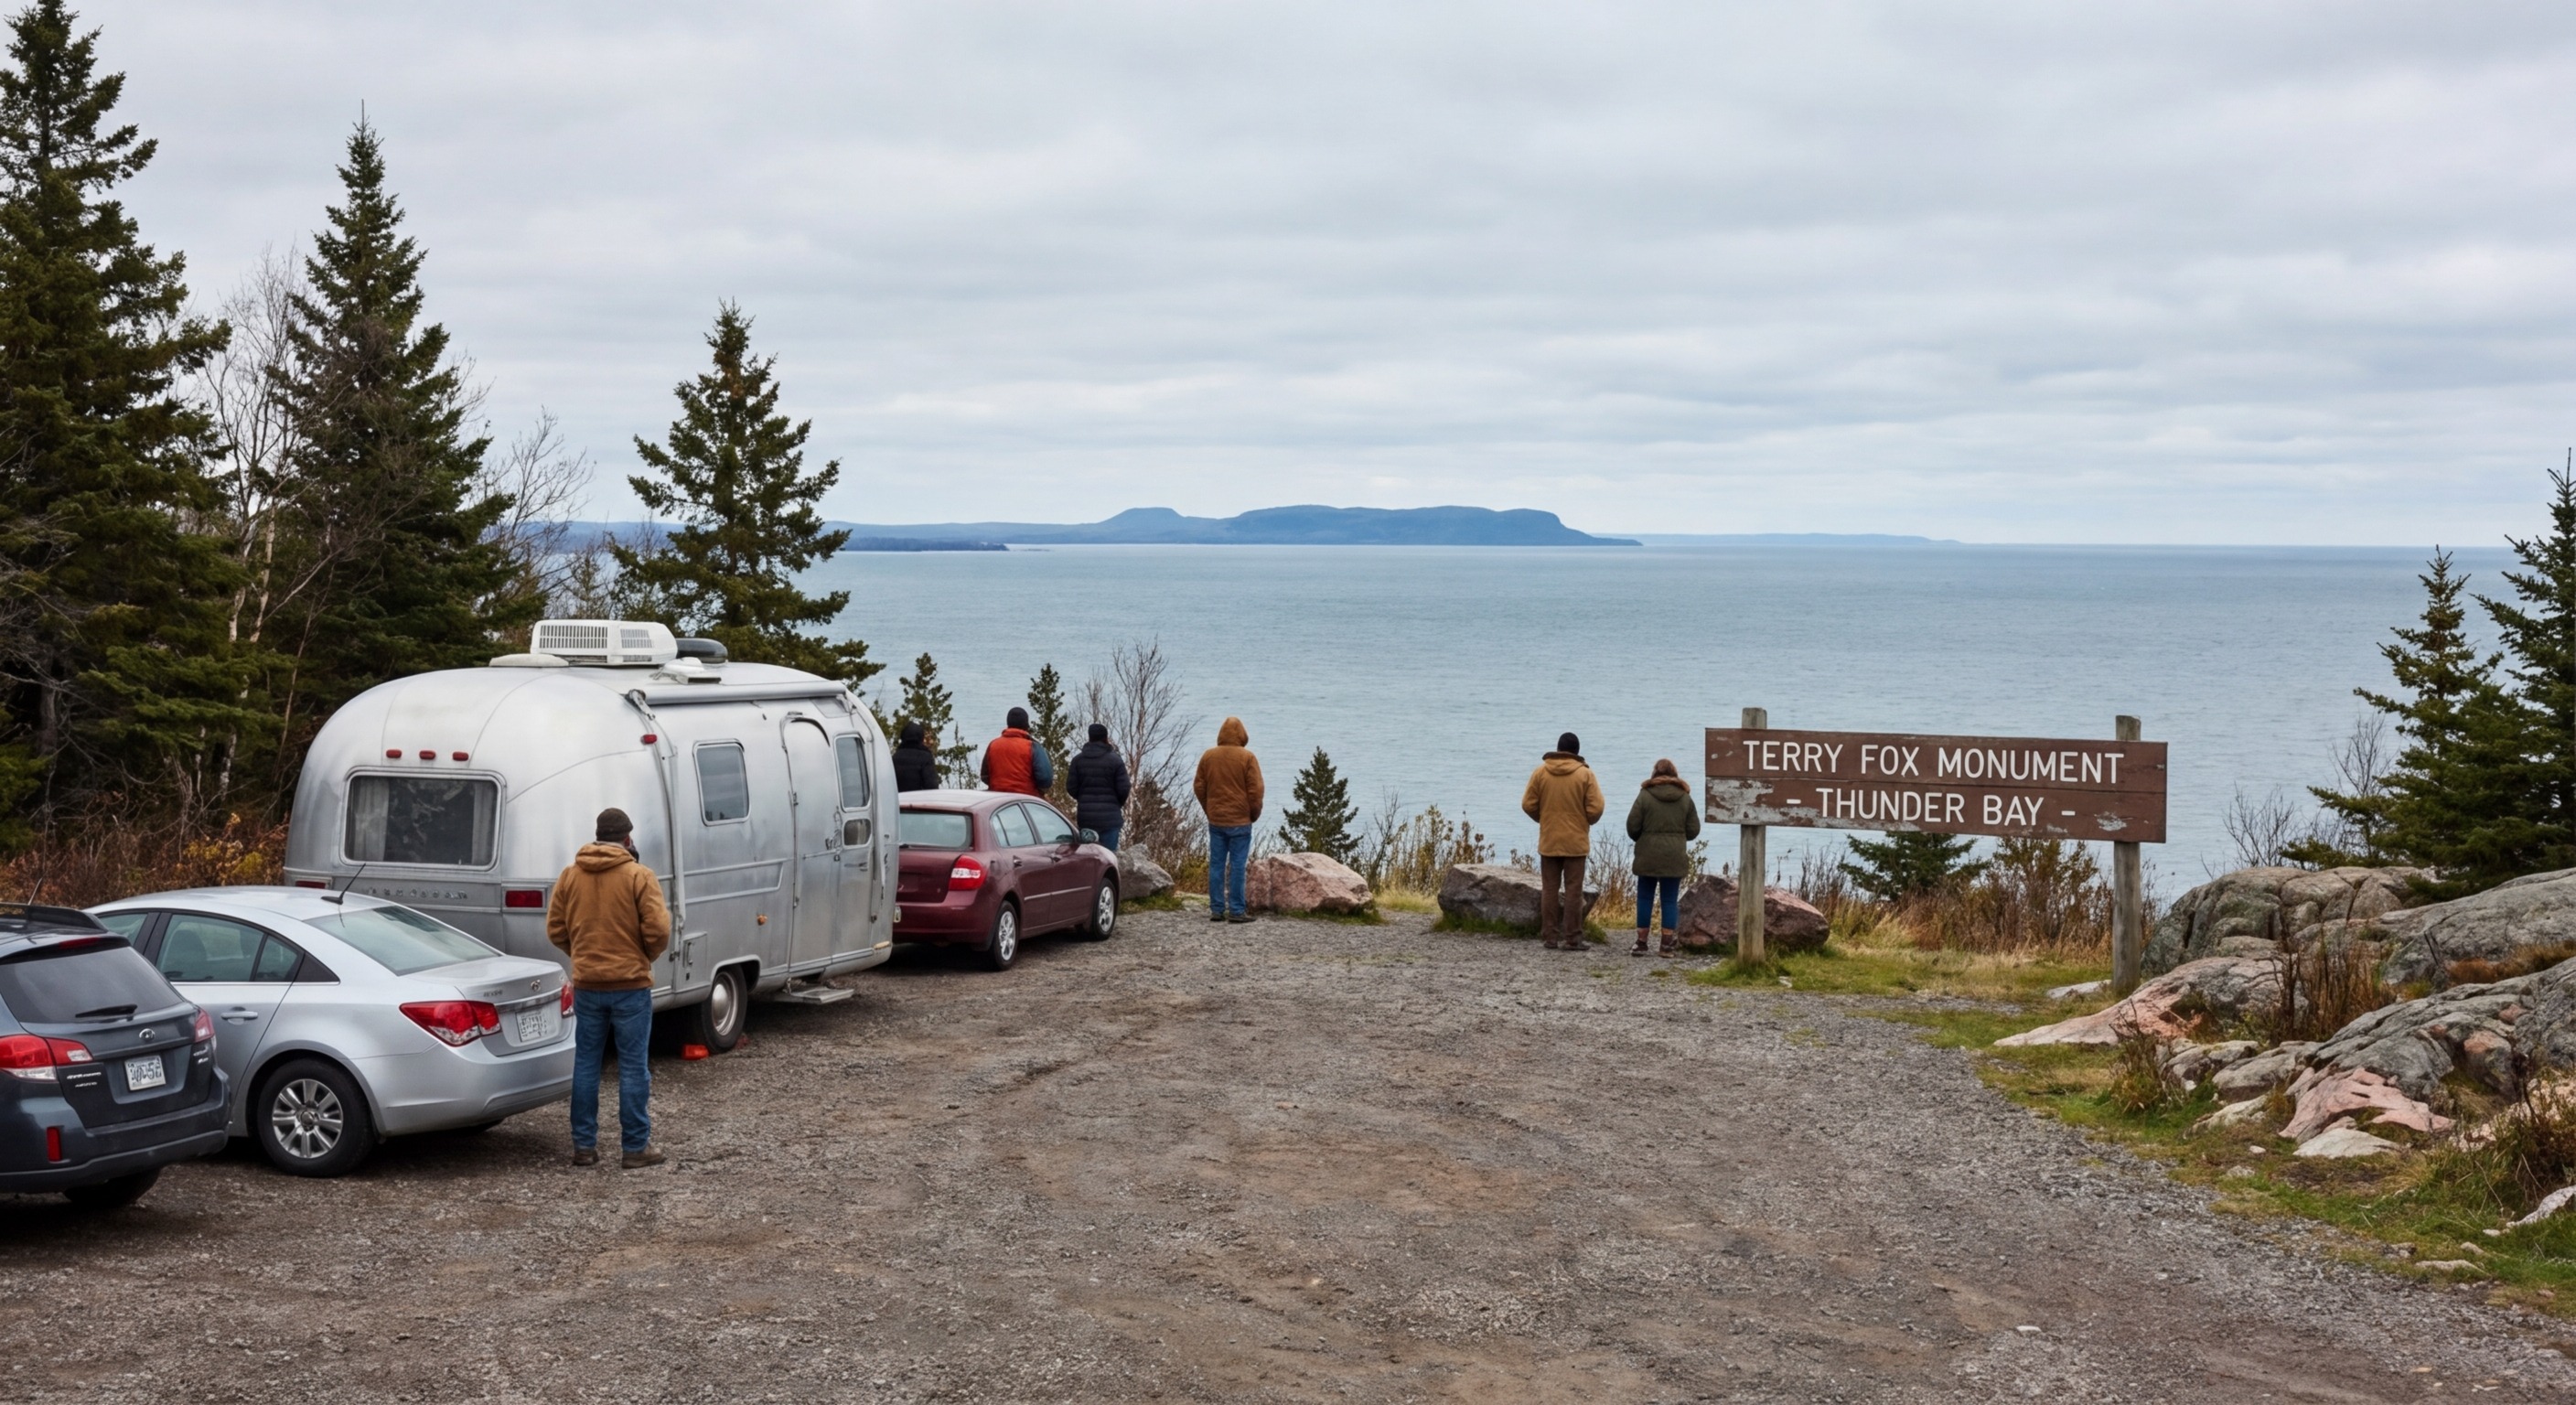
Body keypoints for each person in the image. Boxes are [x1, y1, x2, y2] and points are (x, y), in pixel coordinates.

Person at [547, 808, 671, 1169]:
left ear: (598, 836)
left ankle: (584, 1148)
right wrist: (643, 956)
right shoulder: (639, 876)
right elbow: (659, 930)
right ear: (628, 839)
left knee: (586, 1064)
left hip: (587, 986)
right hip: (630, 986)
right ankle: (635, 1148)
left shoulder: (570, 876)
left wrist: (582, 955)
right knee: (633, 1067)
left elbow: (555, 929)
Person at [1520, 732, 1605, 950]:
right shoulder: (1586, 775)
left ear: (1558, 749)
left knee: (1549, 889)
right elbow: (1596, 809)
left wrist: (1544, 819)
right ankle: (1573, 938)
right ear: (1577, 752)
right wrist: (1583, 822)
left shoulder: (1540, 773)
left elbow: (1528, 804)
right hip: (1576, 843)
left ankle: (1549, 937)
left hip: (1549, 839)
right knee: (1573, 891)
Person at [1626, 757, 1701, 958]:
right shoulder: (1685, 798)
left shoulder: (1644, 796)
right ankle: (1666, 945)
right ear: (1675, 775)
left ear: (1655, 774)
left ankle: (1641, 943)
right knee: (1669, 900)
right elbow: (1693, 830)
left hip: (1647, 855)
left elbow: (1632, 826)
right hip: (1674, 856)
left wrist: (1642, 838)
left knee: (1644, 897)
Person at [1192, 716, 1263, 925]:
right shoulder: (1248, 757)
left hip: (1216, 820)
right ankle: (1237, 910)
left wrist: (1209, 809)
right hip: (1240, 821)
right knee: (1238, 866)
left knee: (1216, 864)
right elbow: (1256, 791)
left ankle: (1216, 909)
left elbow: (1199, 786)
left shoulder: (1209, 756)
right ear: (1242, 735)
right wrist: (1253, 814)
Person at [1068, 723, 1132, 851]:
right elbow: (1124, 788)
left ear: (1089, 737)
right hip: (1110, 819)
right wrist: (1116, 803)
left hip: (1086, 819)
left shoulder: (1078, 761)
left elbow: (1071, 787)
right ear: (1106, 738)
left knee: (1088, 858)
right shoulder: (1115, 760)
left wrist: (1083, 798)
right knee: (1109, 858)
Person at [979, 706, 1054, 796]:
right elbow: (1045, 780)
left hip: (997, 800)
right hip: (1026, 801)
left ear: (1008, 724)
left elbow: (984, 776)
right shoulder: (1033, 747)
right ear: (1027, 726)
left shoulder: (993, 745)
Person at [893, 721, 940, 792]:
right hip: (918, 801)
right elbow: (932, 786)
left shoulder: (895, 757)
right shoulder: (926, 758)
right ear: (921, 737)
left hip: (897, 800)